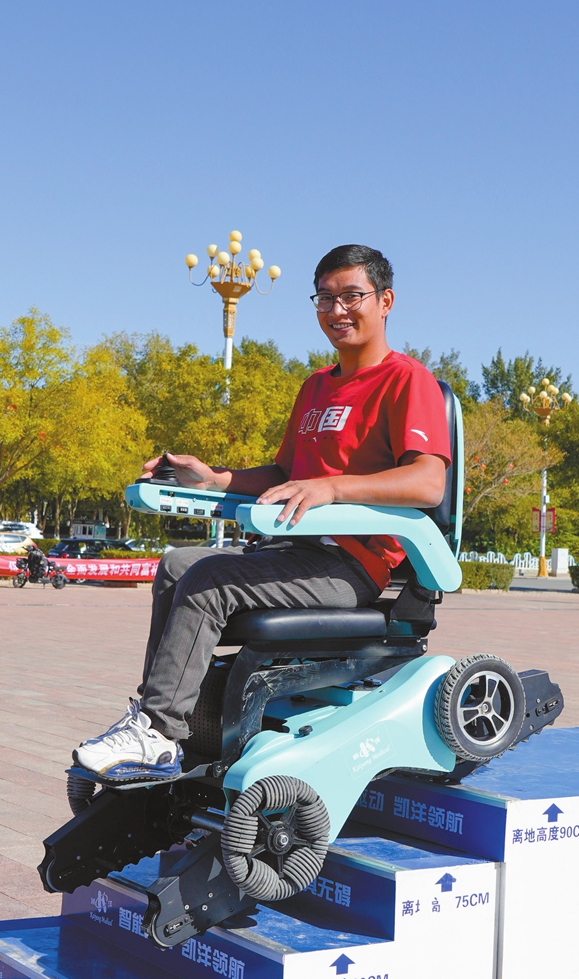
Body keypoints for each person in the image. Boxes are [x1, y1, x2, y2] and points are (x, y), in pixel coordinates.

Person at [73, 244, 451, 783]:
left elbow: (426, 481)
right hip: (290, 551)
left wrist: (332, 490)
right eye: (325, 298)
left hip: (349, 565)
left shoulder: (406, 380)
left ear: (385, 301)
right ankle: (166, 721)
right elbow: (282, 474)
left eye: (352, 297)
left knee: (210, 580)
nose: (337, 310)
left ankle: (157, 733)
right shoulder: (316, 387)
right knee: (178, 564)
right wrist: (215, 480)